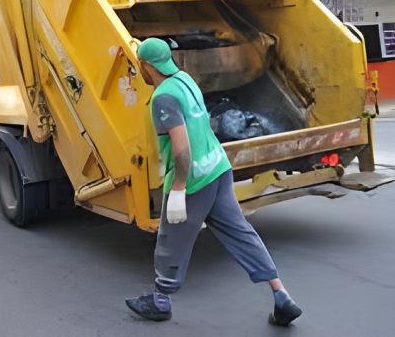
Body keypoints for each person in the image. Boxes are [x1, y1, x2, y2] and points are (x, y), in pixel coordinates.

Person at [125, 38, 302, 326]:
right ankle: (281, 295)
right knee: (241, 233)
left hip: (194, 178)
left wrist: (179, 187)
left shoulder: (163, 97)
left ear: (146, 66)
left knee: (171, 240)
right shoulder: (186, 80)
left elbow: (181, 148)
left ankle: (160, 300)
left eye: (139, 65)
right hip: (218, 167)